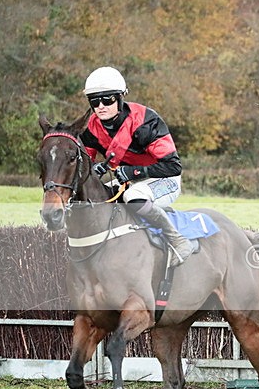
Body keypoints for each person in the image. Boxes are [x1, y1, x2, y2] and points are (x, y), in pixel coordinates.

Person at [80, 66, 193, 266]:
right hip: (129, 181)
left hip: (164, 179)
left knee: (133, 197)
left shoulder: (145, 121)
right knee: (97, 197)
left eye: (107, 100)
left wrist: (133, 172)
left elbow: (173, 166)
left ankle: (178, 240)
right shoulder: (92, 126)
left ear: (120, 98)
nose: (101, 106)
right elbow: (85, 162)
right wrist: (94, 167)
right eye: (94, 101)